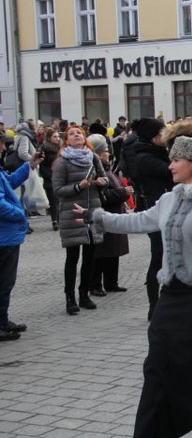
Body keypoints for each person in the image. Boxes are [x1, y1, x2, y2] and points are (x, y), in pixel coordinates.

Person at [75, 135, 192, 437]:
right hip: (170, 295)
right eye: (171, 158)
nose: (170, 165)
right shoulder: (169, 198)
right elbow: (138, 221)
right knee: (157, 365)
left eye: (176, 159)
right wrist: (98, 217)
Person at [52, 126, 108, 315]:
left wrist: (102, 182)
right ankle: (70, 298)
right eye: (72, 134)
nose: (77, 135)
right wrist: (78, 186)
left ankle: (84, 294)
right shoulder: (62, 162)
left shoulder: (93, 157)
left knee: (90, 256)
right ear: (66, 140)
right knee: (73, 257)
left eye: (80, 133)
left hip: (92, 210)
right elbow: (58, 190)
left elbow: (105, 178)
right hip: (72, 214)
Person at [0, 132, 43, 341]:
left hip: (7, 235)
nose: (4, 148)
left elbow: (9, 182)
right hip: (3, 236)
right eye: (1, 144)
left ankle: (3, 319)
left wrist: (29, 165)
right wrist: (19, 215)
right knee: (3, 281)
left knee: (6, 282)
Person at [131, 118, 172, 321]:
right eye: (162, 134)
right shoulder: (145, 158)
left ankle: (165, 304)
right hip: (154, 213)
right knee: (158, 257)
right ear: (154, 137)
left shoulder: (155, 153)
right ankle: (154, 307)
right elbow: (170, 173)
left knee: (166, 256)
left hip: (165, 210)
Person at [86, 134, 132, 296]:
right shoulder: (95, 170)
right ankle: (95, 284)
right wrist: (123, 192)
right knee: (101, 252)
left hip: (114, 214)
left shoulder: (106, 168)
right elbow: (103, 195)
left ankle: (111, 282)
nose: (108, 153)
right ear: (98, 153)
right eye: (105, 150)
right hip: (103, 215)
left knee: (113, 251)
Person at [39, 128, 61, 231]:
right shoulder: (45, 149)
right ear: (49, 138)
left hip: (60, 177)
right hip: (50, 178)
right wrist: (51, 176)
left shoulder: (61, 148)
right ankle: (54, 221)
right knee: (53, 200)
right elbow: (43, 166)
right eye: (55, 137)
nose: (57, 138)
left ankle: (60, 219)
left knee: (60, 200)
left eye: (58, 136)